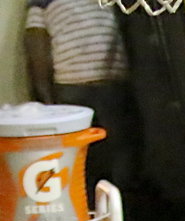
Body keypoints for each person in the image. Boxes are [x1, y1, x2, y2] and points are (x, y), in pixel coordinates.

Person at [23, 0, 140, 204]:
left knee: (83, 164)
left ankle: (97, 215)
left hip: (73, 85)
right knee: (120, 161)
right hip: (107, 83)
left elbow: (37, 48)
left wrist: (48, 100)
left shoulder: (42, 3)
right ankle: (121, 216)